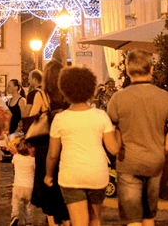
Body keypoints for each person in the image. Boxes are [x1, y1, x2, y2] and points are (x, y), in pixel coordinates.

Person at [106, 49, 168, 226]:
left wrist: (115, 150)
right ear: (152, 69)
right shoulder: (164, 97)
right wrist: (161, 150)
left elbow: (109, 130)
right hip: (154, 162)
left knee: (132, 218)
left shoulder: (117, 98)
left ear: (128, 70)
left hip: (129, 161)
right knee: (148, 216)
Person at [45, 66, 120, 226]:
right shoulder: (101, 116)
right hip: (97, 173)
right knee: (95, 218)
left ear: (65, 89)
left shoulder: (60, 119)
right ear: (90, 88)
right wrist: (118, 132)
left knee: (79, 222)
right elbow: (113, 149)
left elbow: (53, 154)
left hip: (71, 174)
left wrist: (49, 175)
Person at [29, 59, 69, 226]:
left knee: (47, 187)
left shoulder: (41, 95)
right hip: (65, 145)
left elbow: (32, 118)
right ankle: (66, 221)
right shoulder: (67, 94)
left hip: (44, 146)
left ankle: (52, 222)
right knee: (63, 186)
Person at [10, 136, 37, 226]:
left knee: (16, 203)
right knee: (29, 206)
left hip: (17, 186)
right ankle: (29, 222)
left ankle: (15, 216)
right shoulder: (33, 160)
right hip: (30, 186)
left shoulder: (16, 158)